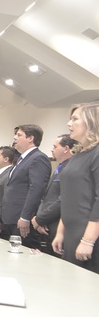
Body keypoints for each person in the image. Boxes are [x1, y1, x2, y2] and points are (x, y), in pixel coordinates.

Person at [53, 102, 99, 273]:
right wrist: (61, 232)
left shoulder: (96, 154)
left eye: (75, 119)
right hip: (72, 233)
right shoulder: (79, 154)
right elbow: (69, 197)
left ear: (92, 122)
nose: (69, 124)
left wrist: (88, 241)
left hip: (89, 234)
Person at [0, 124, 52, 247]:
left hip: (22, 220)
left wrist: (25, 217)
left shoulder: (38, 158)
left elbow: (36, 190)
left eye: (19, 135)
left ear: (30, 138)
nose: (14, 137)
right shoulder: (22, 159)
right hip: (10, 219)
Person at [31, 134, 76, 255]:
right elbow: (46, 197)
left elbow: (63, 199)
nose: (52, 150)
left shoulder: (70, 168)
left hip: (59, 225)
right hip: (47, 225)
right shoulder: (59, 168)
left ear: (66, 148)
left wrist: (40, 219)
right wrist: (39, 218)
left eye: (55, 147)